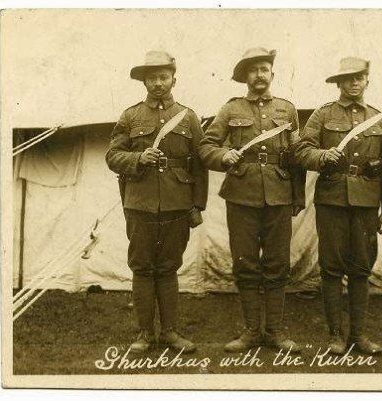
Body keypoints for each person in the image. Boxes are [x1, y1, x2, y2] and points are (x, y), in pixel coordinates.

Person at [198, 47, 305, 353]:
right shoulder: (230, 110)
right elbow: (206, 146)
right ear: (245, 76)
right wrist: (223, 155)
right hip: (241, 196)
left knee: (277, 263)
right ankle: (251, 331)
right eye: (253, 70)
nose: (259, 75)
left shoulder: (287, 110)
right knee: (245, 263)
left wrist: (297, 196)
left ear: (272, 74)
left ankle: (274, 332)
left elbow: (297, 155)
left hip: (279, 195)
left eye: (264, 69)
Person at [105, 50, 208, 353]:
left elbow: (199, 165)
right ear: (144, 82)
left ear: (174, 79)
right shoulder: (130, 116)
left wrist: (197, 205)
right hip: (140, 204)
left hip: (177, 204)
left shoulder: (188, 117)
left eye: (164, 77)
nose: (158, 83)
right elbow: (112, 156)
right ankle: (144, 333)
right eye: (152, 78)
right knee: (142, 268)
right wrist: (139, 158)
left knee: (168, 267)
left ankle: (170, 333)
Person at [294, 57, 382, 355]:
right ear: (338, 82)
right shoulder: (323, 114)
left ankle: (359, 335)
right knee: (331, 268)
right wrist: (321, 156)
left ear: (367, 81)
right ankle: (336, 336)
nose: (354, 82)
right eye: (348, 78)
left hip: (366, 202)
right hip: (332, 200)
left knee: (361, 268)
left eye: (359, 77)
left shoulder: (378, 119)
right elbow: (301, 150)